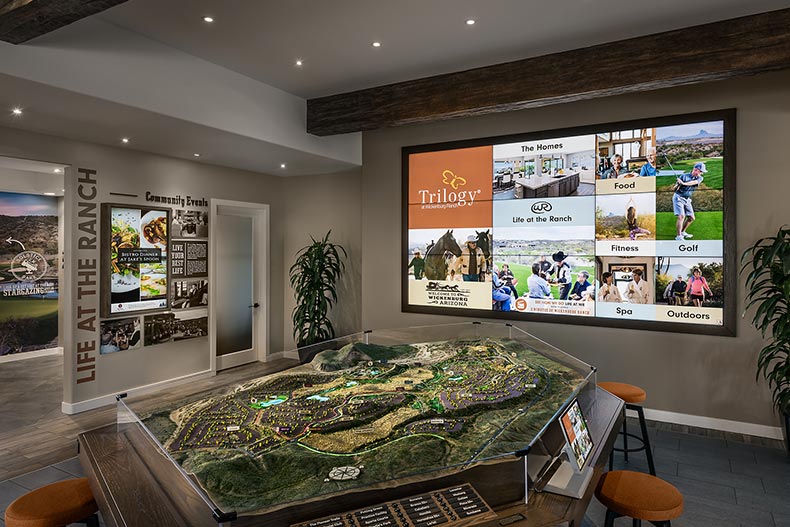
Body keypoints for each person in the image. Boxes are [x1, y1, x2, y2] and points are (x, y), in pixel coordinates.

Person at [673, 162, 706, 241]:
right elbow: (674, 190)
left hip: (687, 199)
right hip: (678, 198)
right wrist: (678, 184)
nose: (701, 173)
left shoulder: (700, 178)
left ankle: (683, 232)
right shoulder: (683, 176)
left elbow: (693, 183)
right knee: (681, 216)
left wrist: (683, 183)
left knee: (691, 217)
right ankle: (678, 236)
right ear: (695, 169)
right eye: (700, 171)